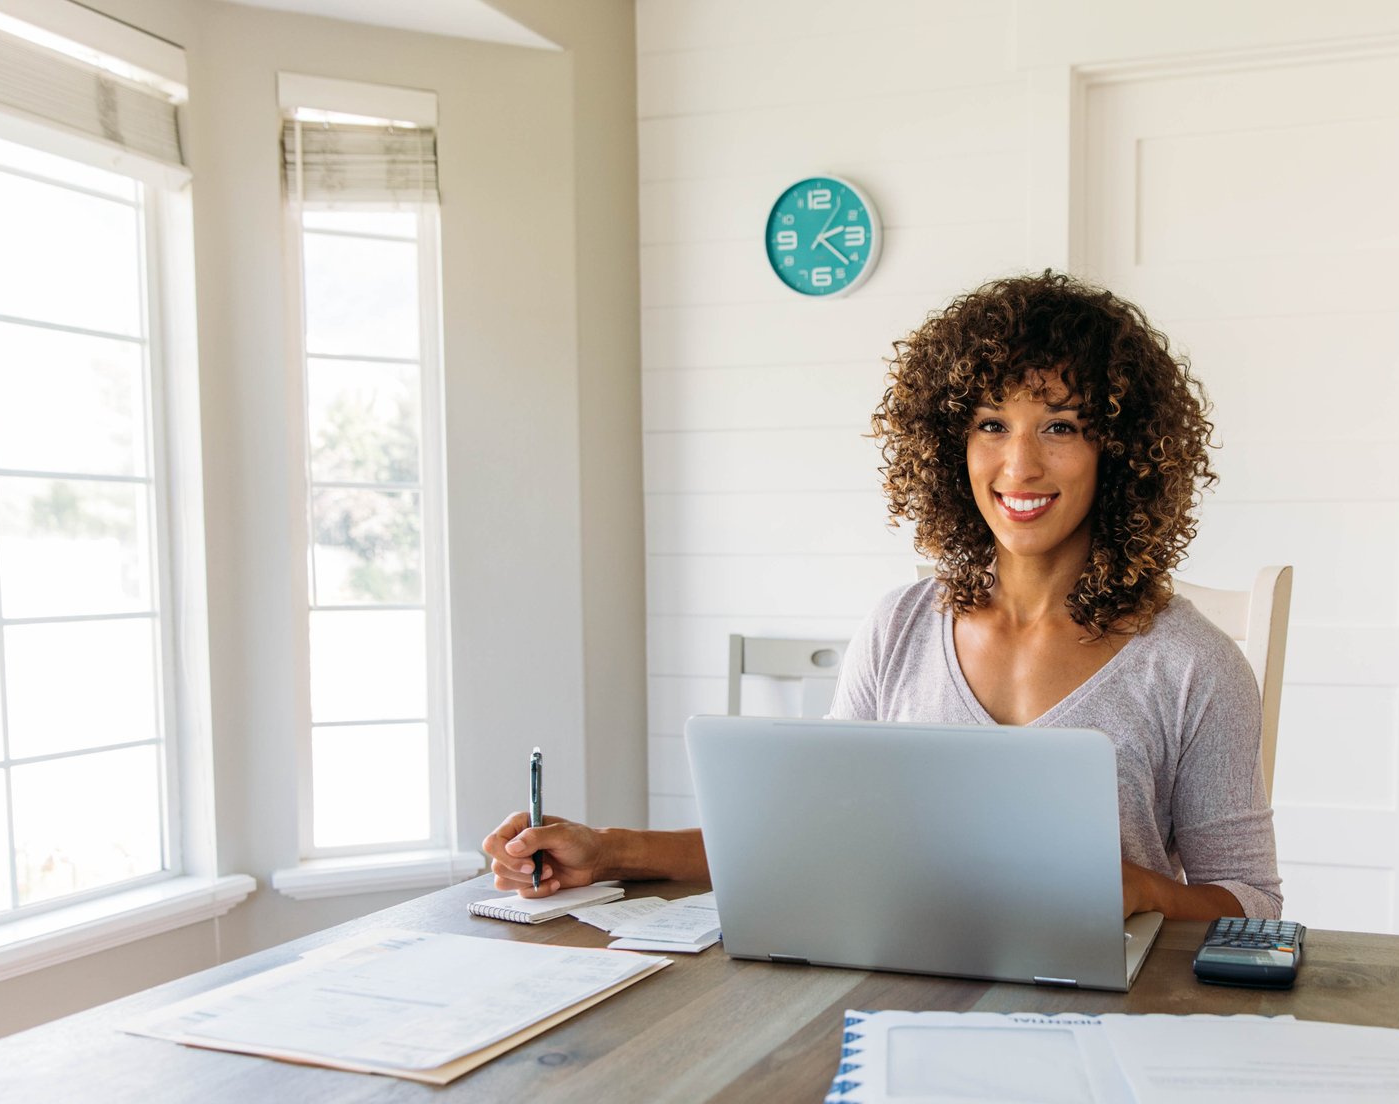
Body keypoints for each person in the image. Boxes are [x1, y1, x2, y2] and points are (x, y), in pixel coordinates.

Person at [481, 271, 1281, 920]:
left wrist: (1146, 894)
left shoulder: (1189, 665)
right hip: (899, 995)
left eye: (1061, 426)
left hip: (1105, 1024)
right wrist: (607, 848)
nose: (1020, 467)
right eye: (990, 424)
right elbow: (810, 835)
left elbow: (1251, 903)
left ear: (1123, 449)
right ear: (947, 443)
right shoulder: (900, 626)